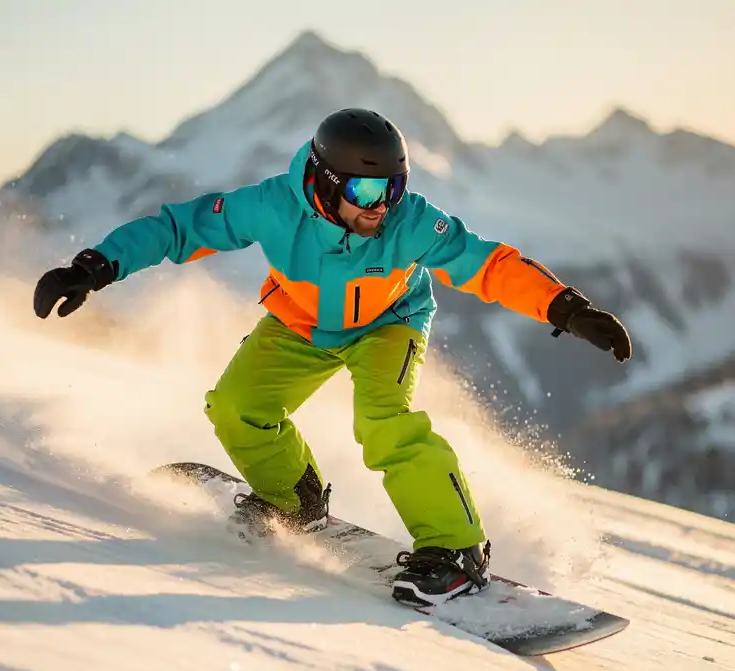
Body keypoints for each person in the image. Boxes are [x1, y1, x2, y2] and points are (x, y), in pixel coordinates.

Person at [32, 108, 632, 607]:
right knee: (237, 406)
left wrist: (565, 308)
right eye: (368, 190)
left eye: (393, 188)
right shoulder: (272, 206)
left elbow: (487, 265)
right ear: (324, 181)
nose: (382, 205)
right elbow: (179, 228)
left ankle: (455, 548)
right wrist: (95, 267)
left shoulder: (409, 223)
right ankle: (296, 500)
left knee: (381, 421)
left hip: (388, 325)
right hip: (303, 323)